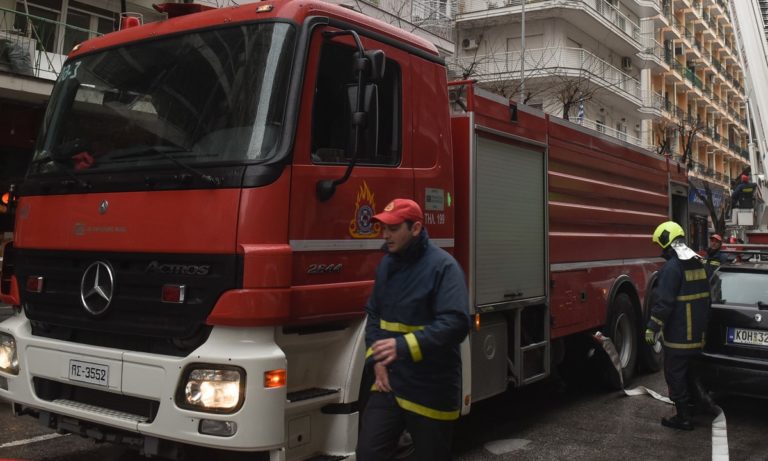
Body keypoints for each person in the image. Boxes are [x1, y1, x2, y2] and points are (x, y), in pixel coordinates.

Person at [357, 198, 470, 460]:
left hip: (430, 387)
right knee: (368, 453)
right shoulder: (386, 265)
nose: (385, 235)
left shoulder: (444, 267)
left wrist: (402, 346)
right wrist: (376, 360)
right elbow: (374, 314)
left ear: (416, 228)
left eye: (393, 228)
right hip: (389, 384)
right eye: (383, 228)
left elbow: (456, 323)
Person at [645, 221, 711, 431]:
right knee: (690, 372)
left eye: (661, 245)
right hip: (697, 334)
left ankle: (683, 417)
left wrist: (652, 327)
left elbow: (664, 303)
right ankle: (697, 406)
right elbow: (707, 297)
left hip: (679, 335)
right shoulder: (698, 262)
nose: (660, 251)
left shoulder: (672, 268)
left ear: (667, 242)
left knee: (675, 375)